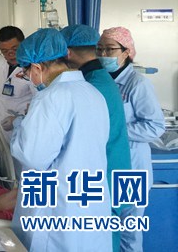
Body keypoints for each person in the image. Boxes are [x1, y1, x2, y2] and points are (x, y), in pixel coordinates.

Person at [10, 28, 112, 252]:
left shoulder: (50, 98)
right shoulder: (92, 93)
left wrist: (19, 125)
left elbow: (33, 157)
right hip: (88, 201)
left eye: (27, 73)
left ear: (37, 68)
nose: (29, 79)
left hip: (59, 207)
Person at [62, 24, 132, 252]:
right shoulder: (97, 79)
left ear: (67, 52)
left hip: (107, 173)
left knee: (104, 237)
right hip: (112, 168)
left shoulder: (93, 86)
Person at [98, 27, 165, 252]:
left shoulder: (137, 84)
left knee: (128, 233)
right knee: (106, 229)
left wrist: (115, 130)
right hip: (107, 166)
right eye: (99, 49)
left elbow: (155, 126)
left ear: (126, 52)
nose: (103, 54)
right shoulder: (100, 80)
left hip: (131, 169)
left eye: (110, 49)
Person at [0, 26, 36, 141]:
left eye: (15, 49)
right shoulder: (3, 63)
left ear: (23, 44)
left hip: (25, 130)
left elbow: (39, 102)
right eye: (4, 51)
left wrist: (18, 120)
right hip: (3, 127)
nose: (10, 54)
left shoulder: (34, 68)